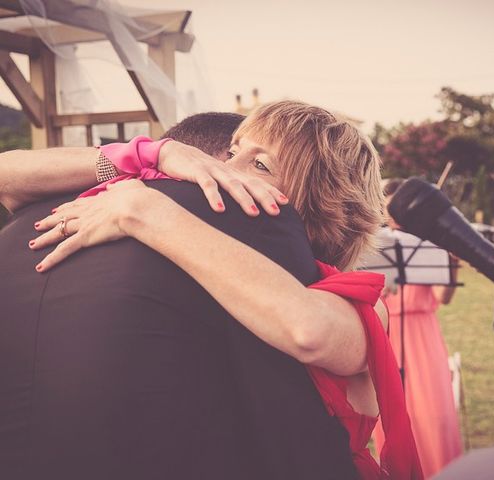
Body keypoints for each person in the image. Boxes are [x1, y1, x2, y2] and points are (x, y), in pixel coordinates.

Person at [2, 102, 422, 479]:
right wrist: (152, 154)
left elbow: (307, 330)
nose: (222, 167)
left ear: (320, 202)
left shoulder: (355, 302)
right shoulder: (209, 260)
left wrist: (145, 210)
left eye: (261, 165)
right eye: (233, 150)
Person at [372, 178, 463, 477]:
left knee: (433, 418)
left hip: (422, 339)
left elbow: (443, 297)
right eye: (387, 211)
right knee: (390, 421)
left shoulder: (427, 247)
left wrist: (451, 264)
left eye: (397, 211)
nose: (392, 219)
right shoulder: (371, 247)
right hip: (385, 337)